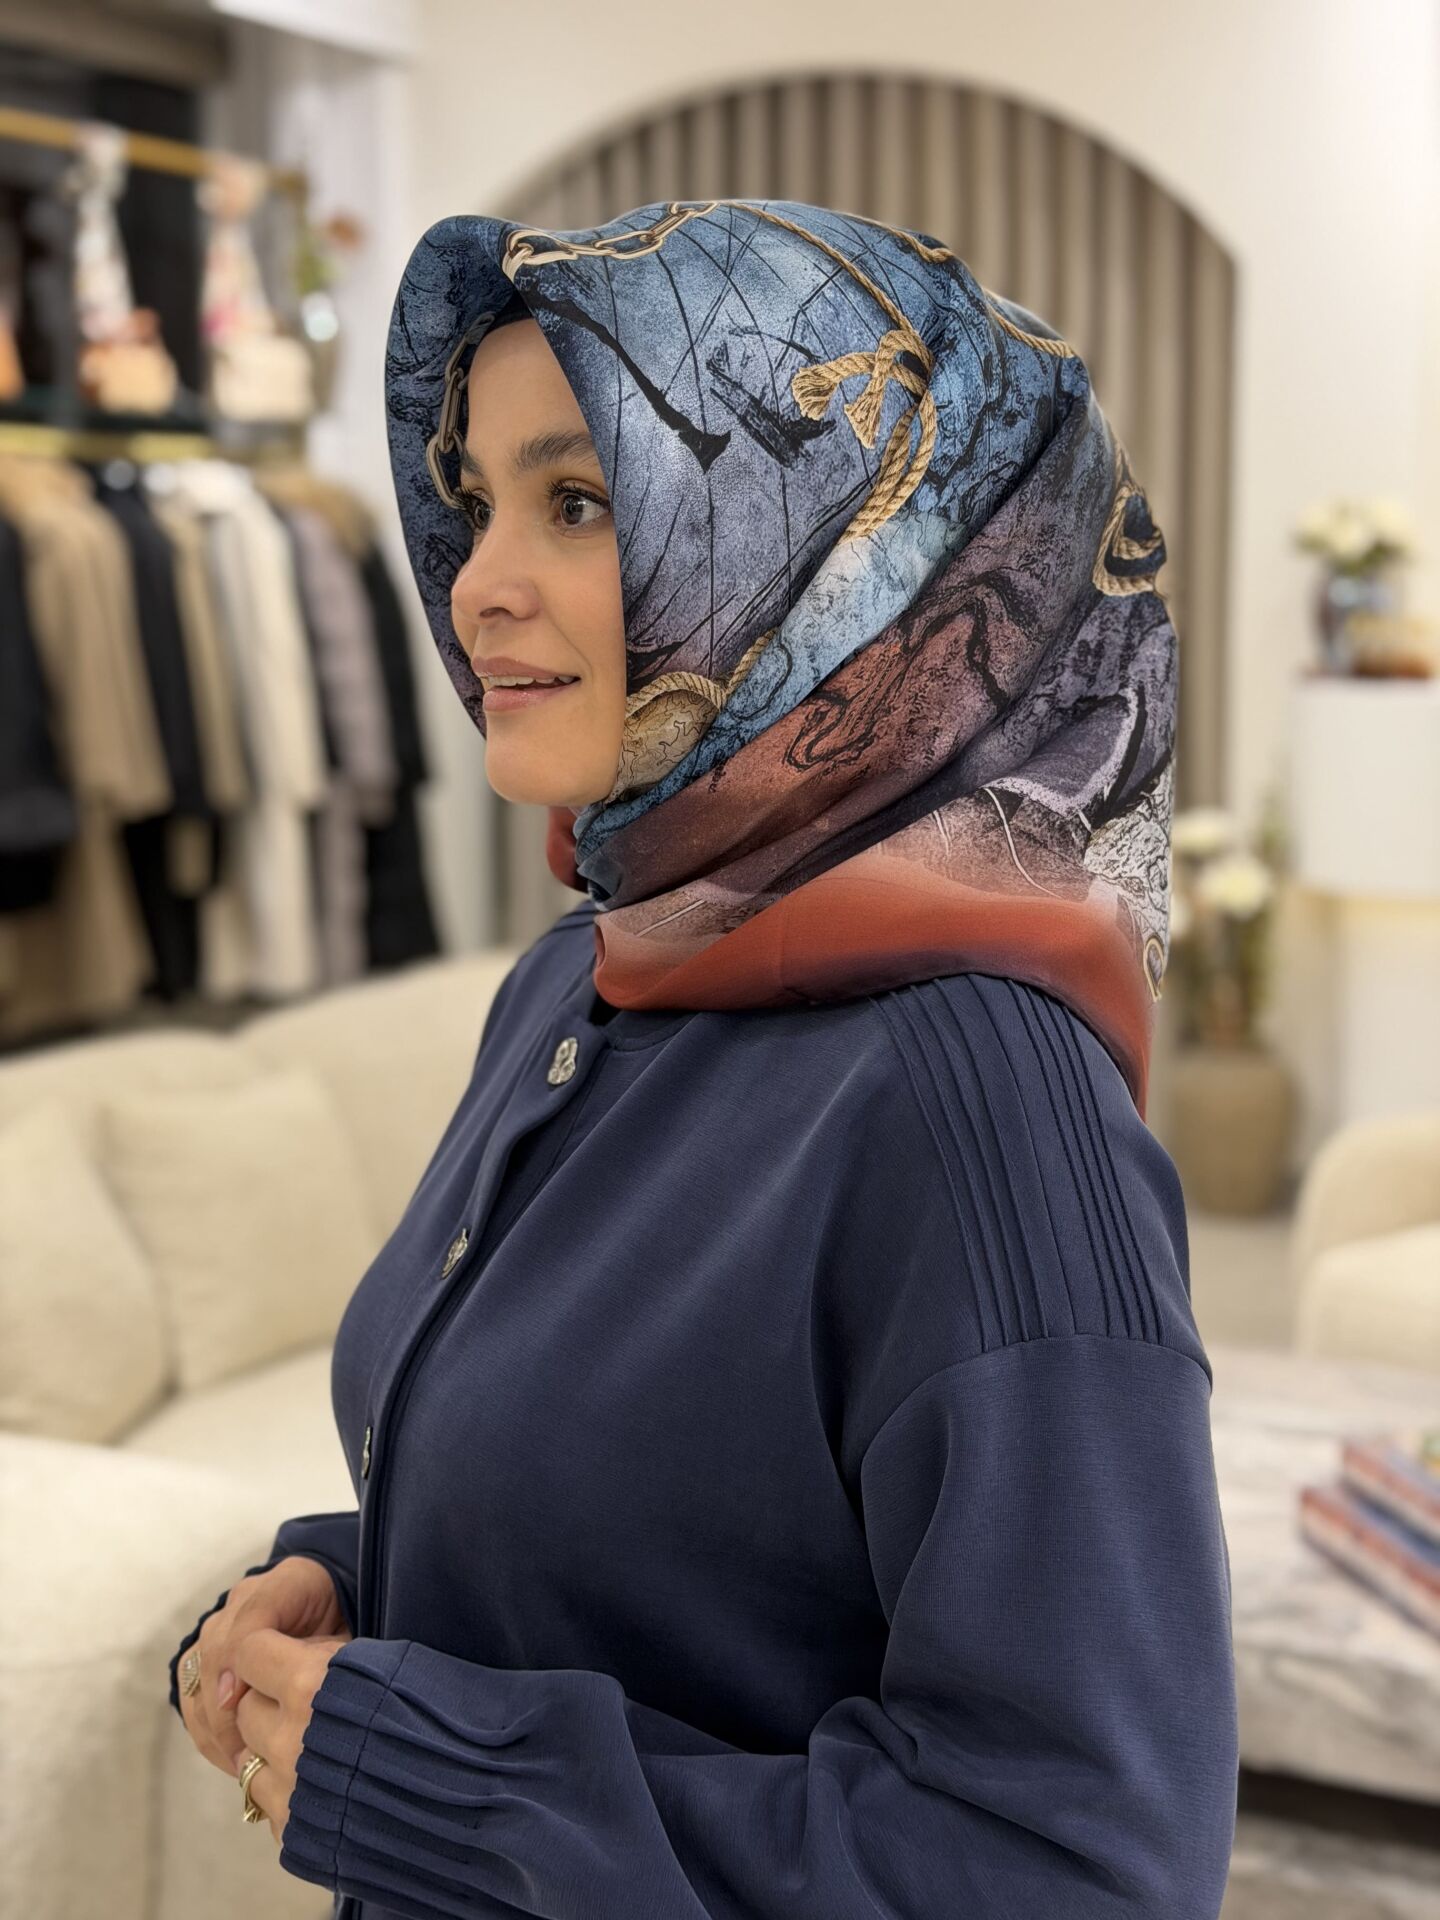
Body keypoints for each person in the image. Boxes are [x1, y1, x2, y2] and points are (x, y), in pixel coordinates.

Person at [169, 197, 1239, 1919]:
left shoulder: (981, 1104)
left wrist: (437, 1779)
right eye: (477, 500)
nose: (476, 582)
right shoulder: (583, 985)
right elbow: (700, 1547)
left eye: (579, 503)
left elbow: (1077, 1869)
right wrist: (364, 1587)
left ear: (845, 560)